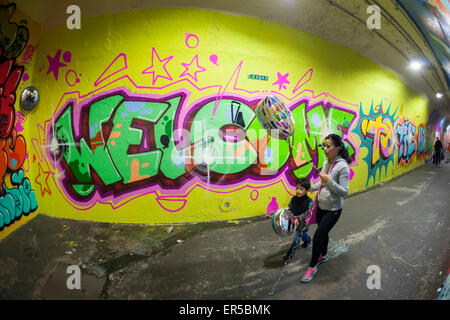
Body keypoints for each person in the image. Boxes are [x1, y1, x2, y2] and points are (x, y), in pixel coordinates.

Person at [301, 133, 351, 283]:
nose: (325, 149)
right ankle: (323, 255)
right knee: (324, 232)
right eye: (324, 146)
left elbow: (344, 192)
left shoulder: (343, 167)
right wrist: (310, 188)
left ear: (337, 148)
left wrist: (329, 180)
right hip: (321, 206)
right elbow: (322, 184)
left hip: (333, 210)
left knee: (317, 237)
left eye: (328, 146)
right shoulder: (326, 162)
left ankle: (313, 265)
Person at [282, 178, 313, 264]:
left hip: (304, 223)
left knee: (297, 239)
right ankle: (307, 240)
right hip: (295, 221)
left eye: (301, 189)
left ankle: (289, 256)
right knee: (302, 235)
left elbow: (307, 214)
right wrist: (290, 216)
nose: (298, 191)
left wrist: (297, 218)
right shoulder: (293, 199)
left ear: (306, 190)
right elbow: (290, 209)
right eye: (297, 188)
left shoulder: (309, 202)